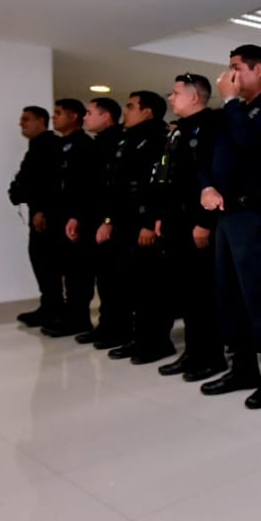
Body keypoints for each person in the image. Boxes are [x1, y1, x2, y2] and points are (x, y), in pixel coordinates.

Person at [201, 45, 261, 405]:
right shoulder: (230, 112)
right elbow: (208, 155)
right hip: (228, 216)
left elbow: (250, 141)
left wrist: (230, 102)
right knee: (229, 295)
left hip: (260, 215)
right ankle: (242, 366)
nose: (230, 75)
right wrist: (206, 186)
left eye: (237, 67)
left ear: (258, 70)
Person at [141, 75, 224, 382]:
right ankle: (192, 352)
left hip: (197, 223)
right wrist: (161, 217)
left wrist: (204, 222)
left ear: (194, 97)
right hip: (176, 222)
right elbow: (169, 179)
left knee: (203, 295)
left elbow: (210, 177)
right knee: (187, 293)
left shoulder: (212, 125)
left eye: (176, 93)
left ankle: (211, 356)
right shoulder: (178, 131)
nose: (171, 98)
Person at [101, 90, 174, 365]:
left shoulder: (159, 139)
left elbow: (159, 182)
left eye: (131, 106)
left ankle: (156, 342)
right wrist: (110, 220)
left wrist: (148, 222)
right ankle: (138, 337)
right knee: (130, 284)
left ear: (147, 111)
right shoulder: (128, 138)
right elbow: (117, 183)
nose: (126, 111)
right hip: (125, 222)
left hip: (144, 223)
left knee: (151, 286)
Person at [40, 99, 96, 337]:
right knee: (59, 266)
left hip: (75, 217)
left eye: (58, 113)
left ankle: (78, 317)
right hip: (56, 215)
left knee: (77, 270)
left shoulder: (84, 145)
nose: (54, 117)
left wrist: (77, 215)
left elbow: (85, 186)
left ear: (74, 116)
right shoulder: (58, 145)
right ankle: (64, 313)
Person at [72, 97, 125, 346]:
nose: (85, 117)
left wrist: (108, 220)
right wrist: (77, 216)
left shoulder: (117, 143)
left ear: (106, 116)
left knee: (112, 278)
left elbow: (114, 187)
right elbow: (88, 187)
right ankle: (106, 325)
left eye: (89, 113)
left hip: (108, 221)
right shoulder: (98, 143)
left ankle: (116, 328)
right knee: (102, 278)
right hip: (93, 219)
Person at [9, 105, 62, 327]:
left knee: (47, 262)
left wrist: (42, 210)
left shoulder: (49, 146)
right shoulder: (36, 146)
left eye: (26, 119)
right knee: (41, 261)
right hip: (38, 211)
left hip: (46, 214)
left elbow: (49, 182)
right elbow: (25, 178)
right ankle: (49, 306)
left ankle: (54, 308)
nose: (21, 123)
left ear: (41, 120)